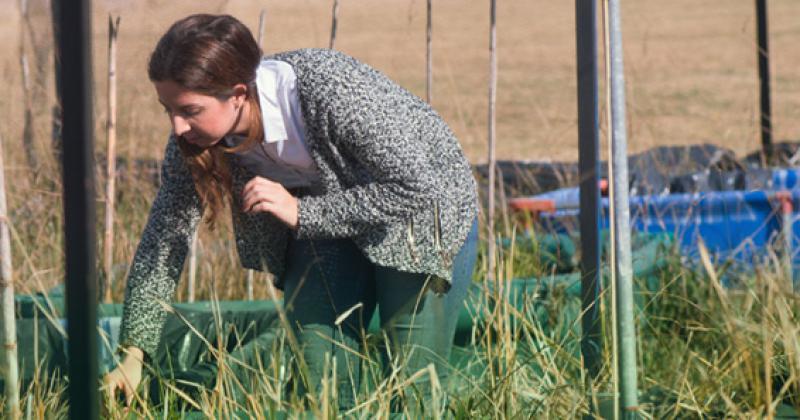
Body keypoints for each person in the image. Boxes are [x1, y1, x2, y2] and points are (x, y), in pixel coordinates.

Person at [104, 13, 479, 410]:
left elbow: (417, 186)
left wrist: (301, 212)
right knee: (320, 372)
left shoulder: (331, 90)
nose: (177, 126)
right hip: (327, 225)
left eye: (190, 110)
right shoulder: (195, 140)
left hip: (417, 218)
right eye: (168, 109)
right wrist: (134, 353)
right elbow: (165, 236)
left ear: (237, 94)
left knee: (411, 383)